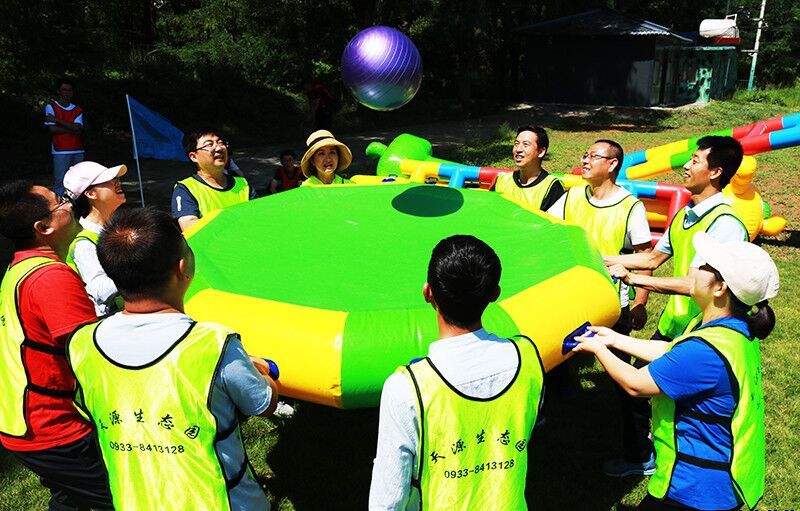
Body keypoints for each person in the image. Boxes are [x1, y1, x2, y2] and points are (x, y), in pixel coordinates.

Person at [66, 207, 279, 510]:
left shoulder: (82, 344)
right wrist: (263, 373)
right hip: (222, 502)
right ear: (183, 267)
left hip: (133, 501)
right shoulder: (214, 343)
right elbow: (263, 404)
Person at [573, 232, 777, 511]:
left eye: (706, 266)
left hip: (694, 490)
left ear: (721, 288)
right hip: (719, 482)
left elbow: (636, 384)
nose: (696, 268)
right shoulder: (735, 332)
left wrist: (598, 349)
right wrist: (614, 339)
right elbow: (672, 353)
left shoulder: (705, 351)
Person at [369, 235, 545, 510]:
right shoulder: (528, 358)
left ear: (428, 292)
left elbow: (388, 499)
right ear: (495, 294)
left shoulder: (407, 387)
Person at [0, 180, 113, 510]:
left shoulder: (20, 268)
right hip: (55, 427)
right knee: (124, 497)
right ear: (44, 227)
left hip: (23, 423)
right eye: (60, 201)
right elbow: (91, 353)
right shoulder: (51, 278)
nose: (69, 203)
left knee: (71, 501)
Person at [547, 139, 653, 476]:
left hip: (610, 308)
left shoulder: (631, 207)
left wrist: (640, 302)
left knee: (624, 380)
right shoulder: (572, 196)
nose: (585, 160)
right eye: (585, 154)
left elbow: (646, 258)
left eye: (593, 156)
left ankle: (640, 454)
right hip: (569, 300)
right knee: (548, 360)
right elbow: (545, 228)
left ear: (612, 164)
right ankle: (548, 420)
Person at [605, 136, 749, 340]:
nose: (686, 166)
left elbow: (695, 284)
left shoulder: (725, 224)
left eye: (695, 161)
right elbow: (652, 259)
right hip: (672, 325)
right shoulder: (685, 214)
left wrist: (633, 278)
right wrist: (600, 258)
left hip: (703, 334)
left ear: (715, 172)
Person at [63, 161, 126, 317]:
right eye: (110, 180)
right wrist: (143, 268)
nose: (117, 182)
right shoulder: (84, 243)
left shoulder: (115, 227)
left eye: (116, 179)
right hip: (105, 321)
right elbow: (100, 290)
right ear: (90, 194)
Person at [172, 130, 256, 231]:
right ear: (193, 157)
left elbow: (258, 217)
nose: (219, 148)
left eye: (221, 143)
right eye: (209, 144)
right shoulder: (185, 189)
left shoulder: (243, 185)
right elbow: (190, 227)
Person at [491, 126, 564, 212]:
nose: (518, 149)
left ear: (541, 152)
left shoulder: (552, 187)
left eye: (526, 144)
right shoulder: (502, 181)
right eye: (516, 144)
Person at [45, 78, 85, 196]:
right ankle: (59, 206)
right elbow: (52, 129)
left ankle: (77, 205)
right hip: (60, 150)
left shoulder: (77, 109)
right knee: (60, 181)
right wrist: (72, 129)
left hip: (78, 149)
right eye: (64, 89)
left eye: (69, 90)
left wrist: (56, 120)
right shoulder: (51, 106)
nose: (67, 92)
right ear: (58, 91)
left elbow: (78, 128)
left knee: (79, 182)